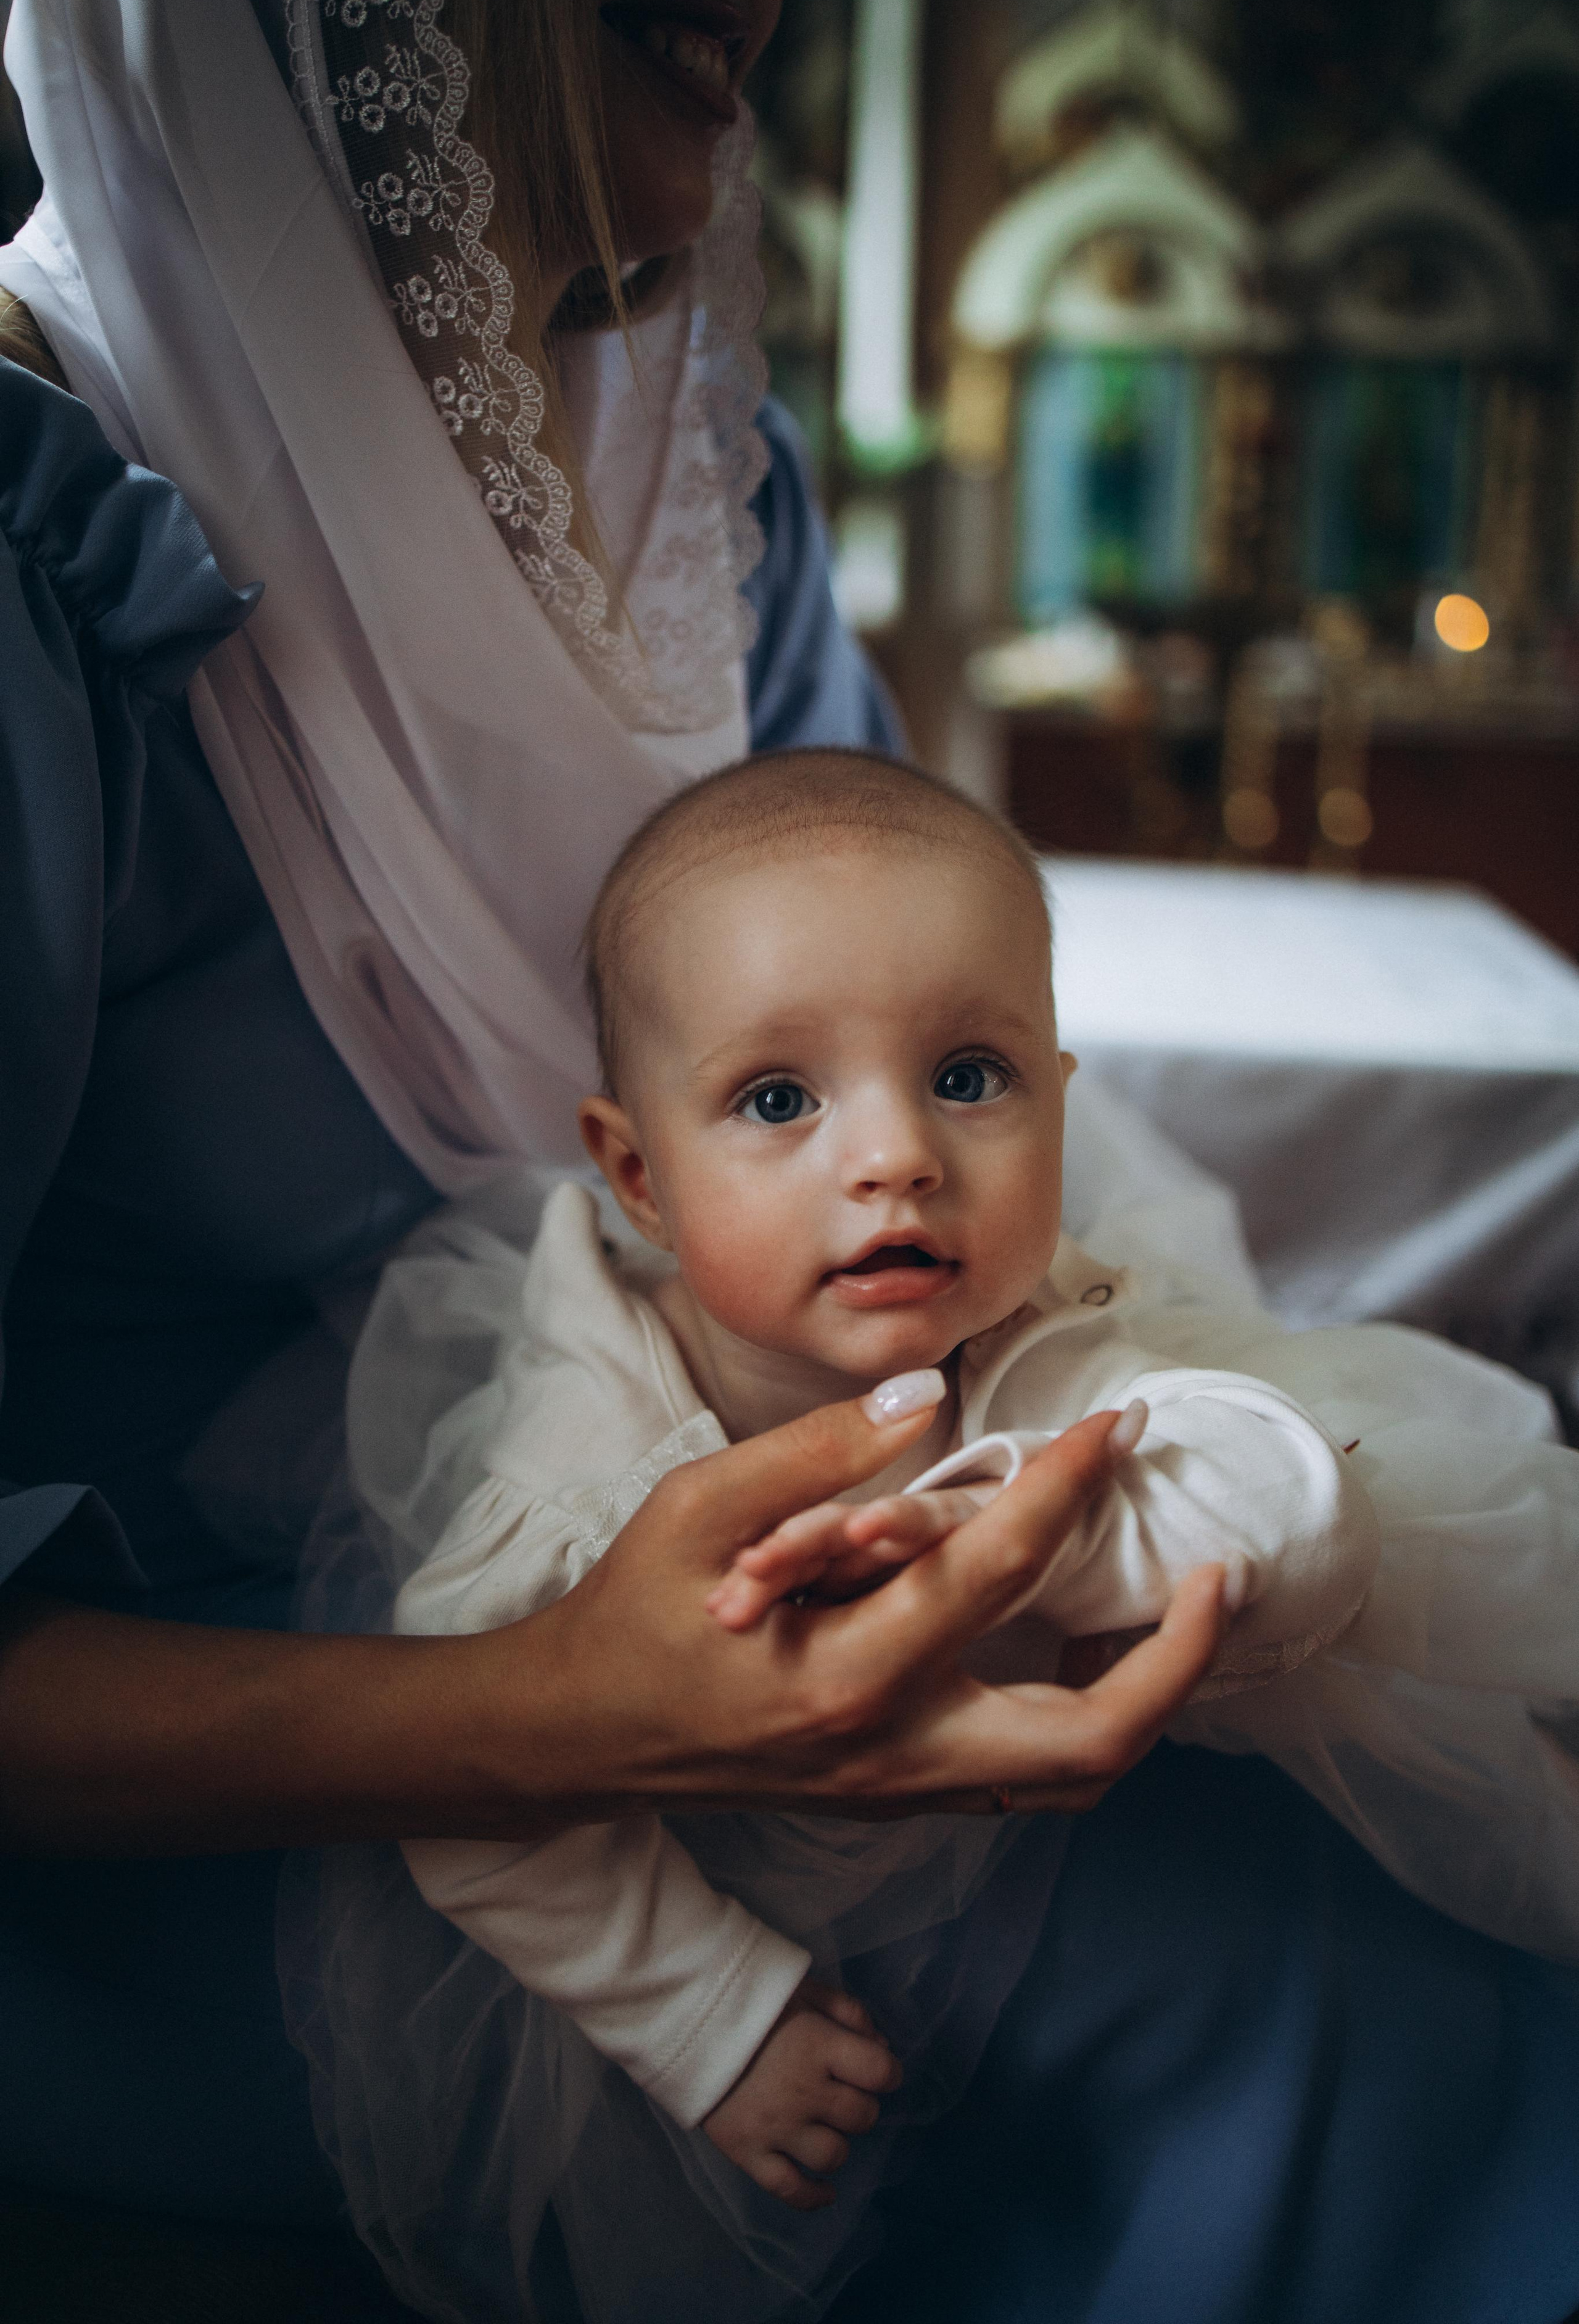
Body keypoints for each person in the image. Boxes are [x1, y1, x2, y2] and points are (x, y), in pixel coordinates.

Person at [0, 0, 1575, 2322]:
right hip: (245, 1776)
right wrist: (570, 1721)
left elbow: (900, 992)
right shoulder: (47, 564)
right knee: (1296, 1964)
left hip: (763, 1575)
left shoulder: (691, 484)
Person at [318, 751, 1578, 2320]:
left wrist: (1054, 1537)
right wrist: (712, 2015)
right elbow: (464, 1779)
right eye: (776, 1100)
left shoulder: (1032, 1321)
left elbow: (1292, 1504)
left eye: (968, 1076)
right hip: (708, 1866)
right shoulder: (586, 1464)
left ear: (1057, 1096)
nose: (896, 1154)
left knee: (1405, 1992)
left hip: (1029, 1824)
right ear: (638, 1174)